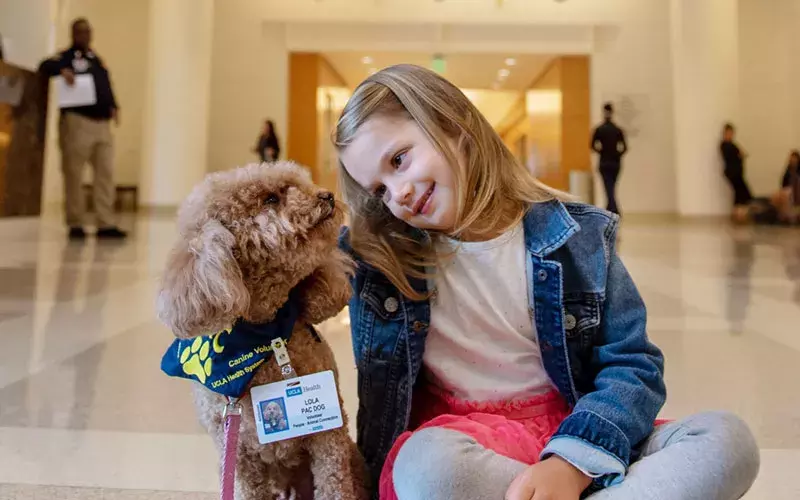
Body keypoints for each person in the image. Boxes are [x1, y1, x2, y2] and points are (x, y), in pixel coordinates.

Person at [335, 65, 759, 500]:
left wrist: (571, 465)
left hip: (580, 432)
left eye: (399, 160)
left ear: (453, 125)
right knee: (427, 467)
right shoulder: (379, 258)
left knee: (727, 440)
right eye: (379, 191)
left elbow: (633, 366)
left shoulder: (580, 237)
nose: (398, 194)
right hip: (468, 447)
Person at [38, 18, 126, 240]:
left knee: (105, 174)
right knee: (74, 174)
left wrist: (114, 106)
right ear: (73, 34)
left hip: (102, 124)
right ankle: (75, 222)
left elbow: (105, 85)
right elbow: (44, 66)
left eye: (87, 31)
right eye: (80, 32)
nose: (84, 35)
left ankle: (105, 222)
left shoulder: (96, 60)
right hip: (78, 122)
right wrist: (62, 70)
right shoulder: (66, 57)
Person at [591, 103, 627, 215]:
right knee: (611, 187)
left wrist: (602, 152)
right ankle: (613, 210)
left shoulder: (599, 129)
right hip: (615, 162)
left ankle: (611, 210)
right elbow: (624, 147)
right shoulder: (617, 130)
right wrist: (617, 154)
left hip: (604, 161)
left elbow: (592, 145)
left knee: (609, 187)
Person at [720, 124, 753, 224]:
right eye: (728, 133)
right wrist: (740, 155)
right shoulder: (725, 145)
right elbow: (735, 155)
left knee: (740, 193)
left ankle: (738, 215)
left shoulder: (732, 144)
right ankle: (738, 215)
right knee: (743, 192)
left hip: (737, 173)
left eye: (731, 133)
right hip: (732, 173)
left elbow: (741, 154)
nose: (730, 135)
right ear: (725, 133)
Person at [771, 150, 800, 224]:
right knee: (779, 195)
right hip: (788, 191)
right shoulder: (787, 171)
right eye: (791, 159)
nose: (793, 161)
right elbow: (783, 184)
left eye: (794, 159)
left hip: (795, 191)